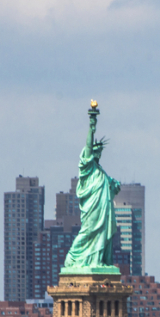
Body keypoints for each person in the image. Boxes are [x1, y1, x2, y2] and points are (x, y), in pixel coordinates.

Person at [63, 101, 121, 271]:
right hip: (93, 208)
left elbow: (111, 186)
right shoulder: (87, 167)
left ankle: (98, 260)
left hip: (104, 208)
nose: (98, 153)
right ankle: (73, 258)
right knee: (89, 231)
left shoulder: (101, 171)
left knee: (102, 233)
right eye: (96, 150)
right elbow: (88, 145)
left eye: (100, 151)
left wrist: (114, 186)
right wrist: (92, 126)